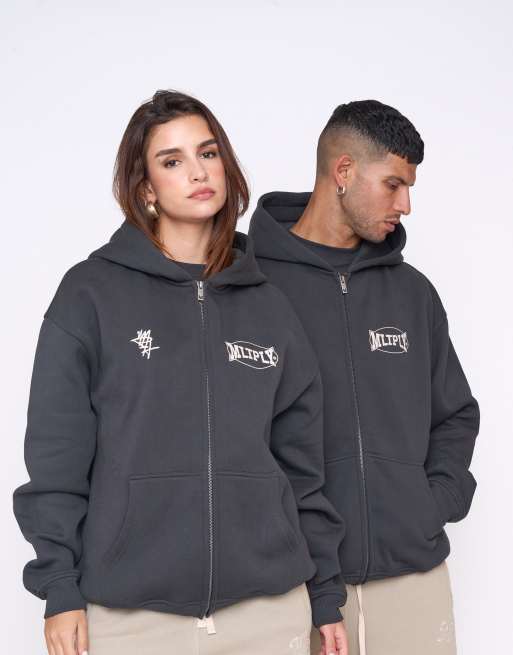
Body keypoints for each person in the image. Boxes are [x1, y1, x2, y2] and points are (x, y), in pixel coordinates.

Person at [12, 90, 349, 655]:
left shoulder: (269, 305)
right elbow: (56, 457)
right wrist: (59, 588)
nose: (197, 172)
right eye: (172, 161)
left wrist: (325, 595)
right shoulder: (90, 295)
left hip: (268, 611)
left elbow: (302, 466)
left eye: (208, 153)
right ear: (145, 188)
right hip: (133, 617)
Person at [248, 99, 480, 655]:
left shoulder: (413, 293)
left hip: (411, 579)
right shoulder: (250, 286)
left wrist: (429, 504)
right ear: (344, 171)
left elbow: (455, 413)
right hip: (293, 586)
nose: (406, 205)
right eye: (394, 184)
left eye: (409, 188)